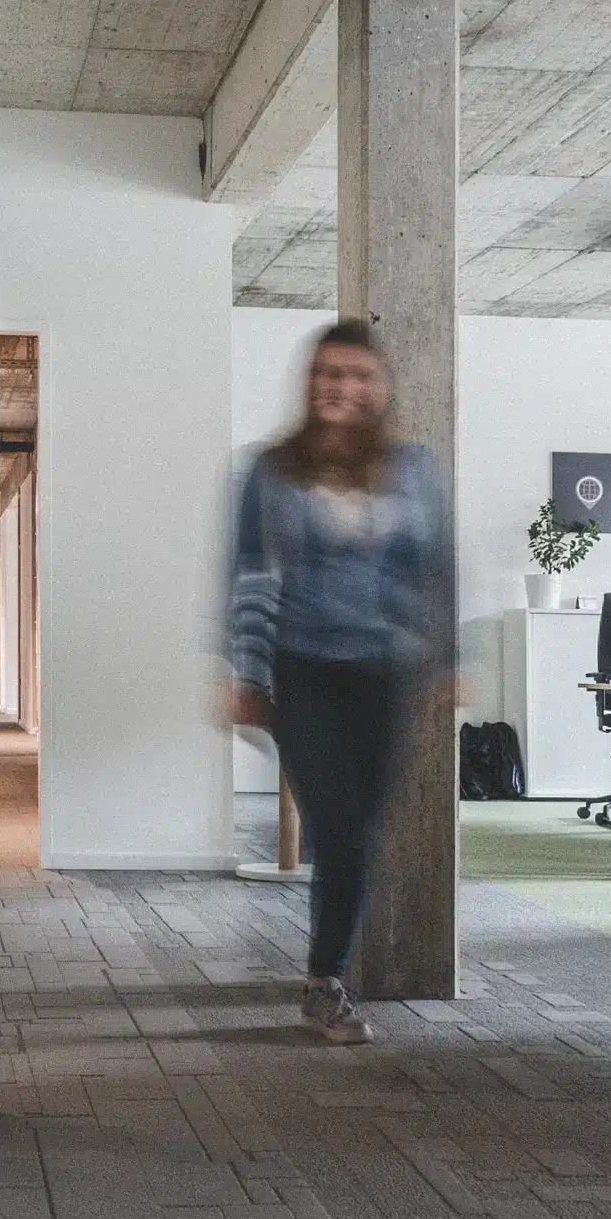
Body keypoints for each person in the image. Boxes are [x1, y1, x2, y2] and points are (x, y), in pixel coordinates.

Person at [224, 320, 451, 1040]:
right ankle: (327, 980)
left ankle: (325, 968)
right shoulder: (271, 469)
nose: (342, 387)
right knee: (339, 826)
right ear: (310, 381)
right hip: (304, 668)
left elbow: (435, 569)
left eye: (358, 375)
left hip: (386, 672)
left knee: (361, 831)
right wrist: (247, 672)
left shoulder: (413, 469)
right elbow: (249, 573)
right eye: (328, 373)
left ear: (380, 388)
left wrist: (445, 660)